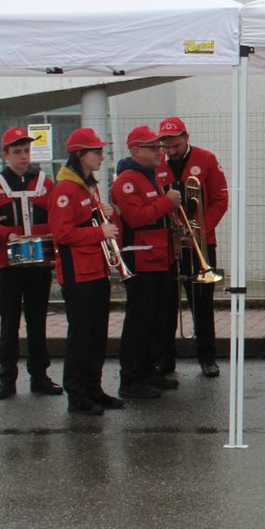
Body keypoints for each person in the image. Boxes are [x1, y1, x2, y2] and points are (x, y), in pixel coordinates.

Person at [0, 126, 61, 399]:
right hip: (7, 265)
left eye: (26, 151)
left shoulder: (46, 182)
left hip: (39, 264)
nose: (24, 156)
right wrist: (7, 234)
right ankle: (7, 380)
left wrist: (50, 236)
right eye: (17, 152)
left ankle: (40, 377)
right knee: (9, 323)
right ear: (6, 154)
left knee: (37, 322)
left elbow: (59, 215)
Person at [48, 127, 126, 416]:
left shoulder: (86, 187)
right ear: (80, 154)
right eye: (97, 152)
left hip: (95, 271)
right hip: (78, 275)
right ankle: (77, 395)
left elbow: (89, 224)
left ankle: (94, 389)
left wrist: (103, 214)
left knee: (97, 336)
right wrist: (100, 232)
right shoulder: (65, 190)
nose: (102, 157)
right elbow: (63, 234)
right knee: (81, 338)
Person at [110, 126, 182, 400]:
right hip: (140, 258)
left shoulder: (149, 177)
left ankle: (150, 370)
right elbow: (137, 218)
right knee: (140, 321)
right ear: (136, 151)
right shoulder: (127, 181)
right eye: (153, 148)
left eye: (160, 147)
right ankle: (131, 379)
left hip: (159, 257)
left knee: (157, 319)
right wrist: (167, 202)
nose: (159, 152)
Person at [158, 116, 229, 378]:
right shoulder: (158, 163)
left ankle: (207, 357)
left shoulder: (207, 159)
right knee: (166, 303)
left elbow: (221, 199)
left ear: (186, 138)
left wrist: (199, 229)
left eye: (175, 145)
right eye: (167, 147)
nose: (171, 152)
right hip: (169, 244)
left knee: (202, 303)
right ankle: (166, 360)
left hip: (201, 242)